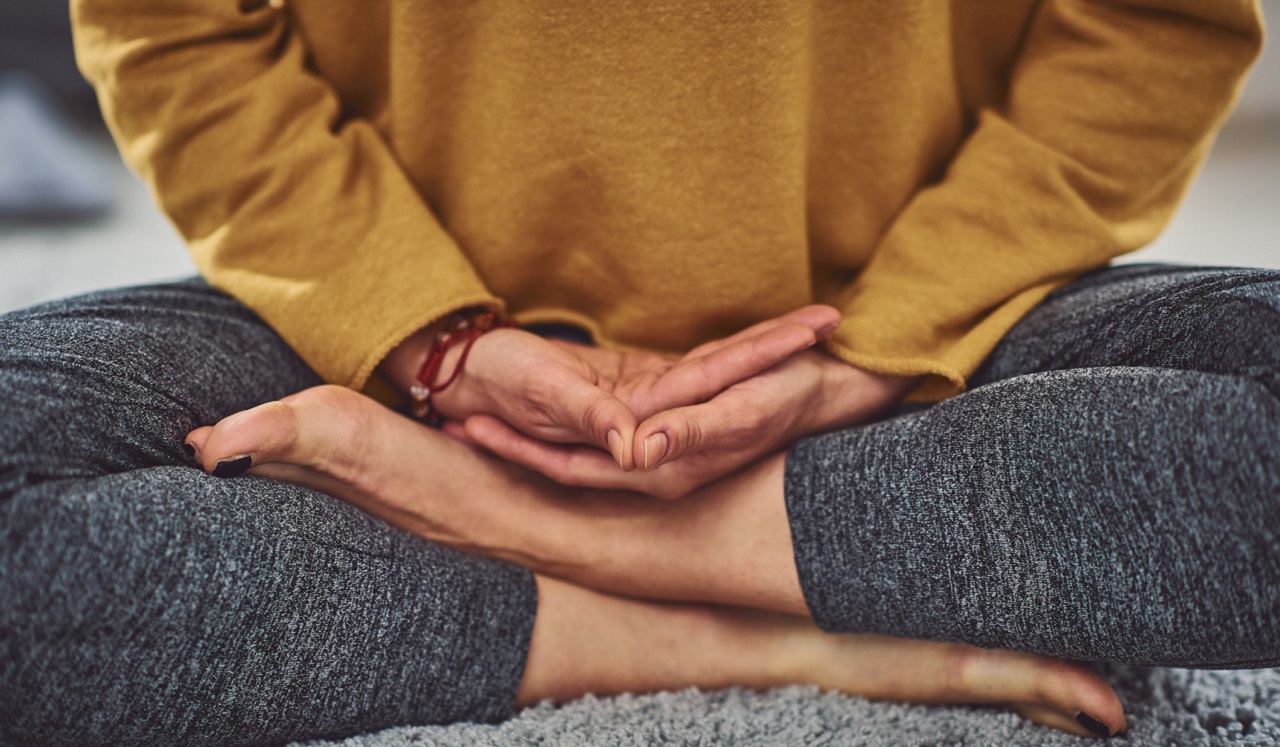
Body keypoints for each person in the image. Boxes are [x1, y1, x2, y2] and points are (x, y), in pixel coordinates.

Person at [1, 1, 1276, 745]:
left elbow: (1151, 24)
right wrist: (417, 331)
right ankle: (751, 626)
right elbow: (170, 23)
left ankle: (537, 532)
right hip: (390, 333)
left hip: (928, 342)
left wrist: (883, 345)